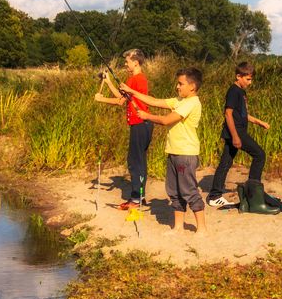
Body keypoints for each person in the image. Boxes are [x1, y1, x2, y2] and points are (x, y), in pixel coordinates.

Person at [121, 68, 205, 234]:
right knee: (174, 192)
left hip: (186, 154)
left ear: (192, 86)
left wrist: (146, 116)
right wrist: (131, 91)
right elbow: (154, 101)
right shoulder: (179, 100)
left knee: (189, 191)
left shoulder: (192, 103)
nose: (177, 87)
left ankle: (202, 228)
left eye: (181, 84)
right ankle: (178, 227)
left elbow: (166, 120)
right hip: (173, 152)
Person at [206, 62, 272, 210]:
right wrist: (235, 136)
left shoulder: (241, 92)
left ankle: (215, 196)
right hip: (236, 132)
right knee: (259, 155)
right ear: (238, 76)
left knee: (225, 163)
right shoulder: (234, 91)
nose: (250, 82)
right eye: (248, 79)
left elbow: (242, 114)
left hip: (238, 131)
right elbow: (228, 114)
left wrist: (259, 122)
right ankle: (253, 191)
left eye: (251, 79)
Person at [94, 49, 151, 210]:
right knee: (140, 161)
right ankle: (140, 195)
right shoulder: (138, 79)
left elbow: (119, 101)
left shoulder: (135, 79)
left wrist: (101, 99)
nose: (125, 64)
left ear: (136, 62)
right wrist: (109, 81)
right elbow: (123, 97)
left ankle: (135, 199)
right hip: (143, 124)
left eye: (127, 61)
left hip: (139, 124)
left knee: (134, 163)